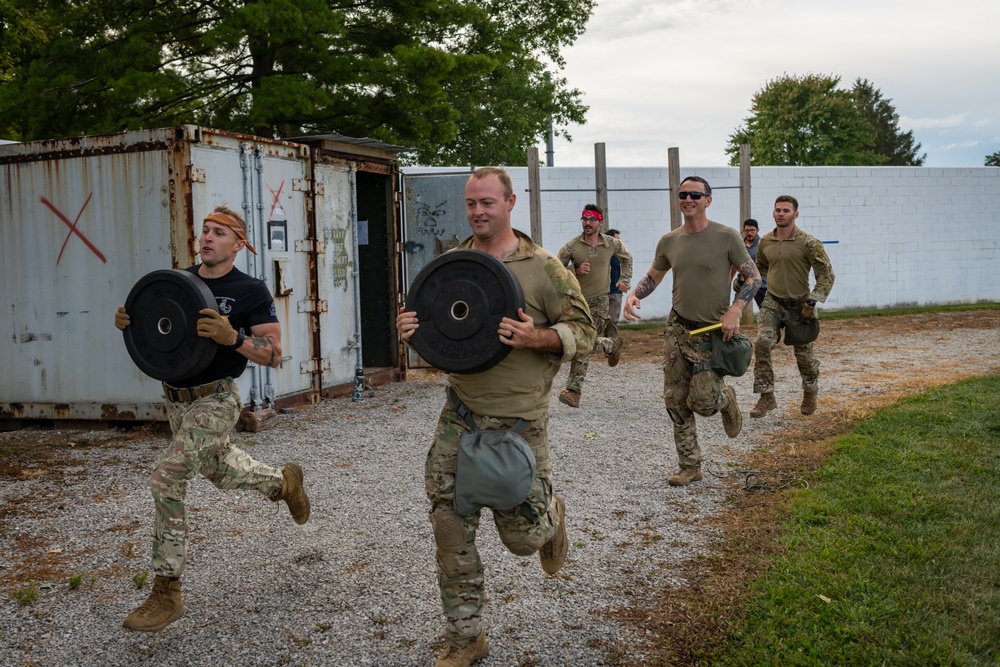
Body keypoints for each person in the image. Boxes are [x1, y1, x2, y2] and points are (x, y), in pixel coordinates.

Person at [396, 168, 596, 667]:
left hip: (520, 421)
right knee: (447, 521)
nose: (478, 212)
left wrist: (538, 338)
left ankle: (551, 519)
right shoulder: (454, 265)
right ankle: (466, 637)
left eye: (488, 202)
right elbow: (438, 329)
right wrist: (410, 329)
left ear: (510, 202)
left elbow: (586, 334)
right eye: (471, 204)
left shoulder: (546, 268)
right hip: (460, 412)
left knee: (523, 541)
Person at [113, 205, 310, 632]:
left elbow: (274, 355)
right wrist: (132, 324)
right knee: (219, 470)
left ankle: (166, 592)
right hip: (177, 401)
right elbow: (158, 336)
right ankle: (283, 482)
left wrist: (233, 337)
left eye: (219, 233)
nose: (207, 238)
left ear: (238, 245)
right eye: (204, 230)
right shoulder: (179, 284)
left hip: (217, 399)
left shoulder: (250, 290)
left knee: (167, 476)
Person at [623, 177, 761, 487]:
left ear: (707, 200)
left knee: (703, 401)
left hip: (711, 331)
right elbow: (653, 277)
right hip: (677, 327)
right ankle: (689, 465)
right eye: (683, 194)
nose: (688, 199)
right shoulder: (670, 240)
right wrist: (635, 295)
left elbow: (753, 278)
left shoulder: (726, 237)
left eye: (695, 195)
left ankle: (726, 399)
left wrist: (735, 309)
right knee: (675, 399)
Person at [749, 195, 836, 418]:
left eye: (786, 210)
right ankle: (766, 396)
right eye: (777, 210)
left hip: (800, 306)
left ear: (795, 214)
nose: (781, 213)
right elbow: (760, 267)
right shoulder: (765, 241)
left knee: (804, 356)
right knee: (762, 343)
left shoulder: (808, 243)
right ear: (773, 213)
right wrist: (746, 279)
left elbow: (826, 274)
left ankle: (810, 391)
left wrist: (812, 301)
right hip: (773, 302)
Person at [556, 208, 632, 408]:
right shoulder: (572, 246)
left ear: (600, 222)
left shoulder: (611, 243)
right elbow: (554, 269)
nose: (587, 223)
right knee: (578, 340)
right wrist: (575, 269)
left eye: (592, 219)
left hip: (600, 301)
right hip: (577, 301)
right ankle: (610, 345)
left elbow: (627, 258)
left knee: (585, 341)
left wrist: (624, 279)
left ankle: (573, 391)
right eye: (584, 219)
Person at [734, 219, 767, 308]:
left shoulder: (763, 245)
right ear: (743, 230)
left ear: (757, 230)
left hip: (761, 284)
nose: (749, 233)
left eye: (752, 230)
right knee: (735, 308)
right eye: (747, 230)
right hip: (744, 282)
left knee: (765, 310)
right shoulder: (740, 246)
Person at [605, 228, 625, 341]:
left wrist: (624, 282)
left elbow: (625, 270)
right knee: (601, 320)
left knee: (613, 320)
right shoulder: (603, 255)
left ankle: (612, 343)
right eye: (617, 240)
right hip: (601, 292)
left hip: (615, 292)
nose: (619, 243)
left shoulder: (621, 256)